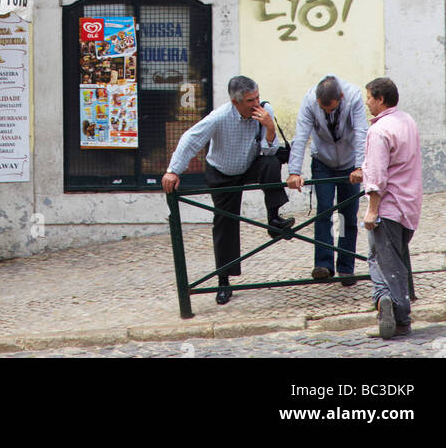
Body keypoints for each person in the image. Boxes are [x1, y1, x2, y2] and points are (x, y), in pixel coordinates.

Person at [162, 75, 294, 306]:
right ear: (236, 102)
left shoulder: (264, 111)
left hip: (250, 164)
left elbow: (270, 152)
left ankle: (274, 219)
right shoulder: (220, 116)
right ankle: (224, 282)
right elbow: (190, 140)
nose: (256, 103)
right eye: (250, 100)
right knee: (225, 223)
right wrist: (173, 170)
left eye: (258, 97)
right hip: (222, 171)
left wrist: (269, 127)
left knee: (271, 165)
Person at [286, 74, 367, 286]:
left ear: (340, 96)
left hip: (350, 161)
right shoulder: (309, 100)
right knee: (324, 209)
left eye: (331, 109)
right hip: (322, 160)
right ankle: (323, 265)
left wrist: (360, 166)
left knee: (348, 214)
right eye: (324, 109)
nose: (327, 112)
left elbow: (361, 131)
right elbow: (301, 134)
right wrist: (294, 171)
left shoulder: (354, 96)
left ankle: (346, 268)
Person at [362, 76, 422, 339]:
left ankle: (396, 313)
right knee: (388, 259)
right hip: (410, 204)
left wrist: (371, 210)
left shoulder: (378, 131)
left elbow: (376, 177)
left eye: (369, 97)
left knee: (386, 263)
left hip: (389, 206)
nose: (367, 102)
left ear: (380, 99)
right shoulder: (408, 121)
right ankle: (386, 301)